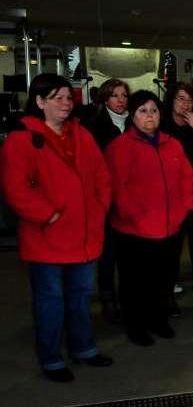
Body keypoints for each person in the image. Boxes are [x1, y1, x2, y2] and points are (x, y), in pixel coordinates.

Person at [0, 73, 114, 382]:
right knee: (50, 302)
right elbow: (15, 188)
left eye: (68, 97)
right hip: (47, 238)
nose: (65, 103)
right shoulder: (22, 139)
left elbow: (102, 175)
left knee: (79, 297)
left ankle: (84, 348)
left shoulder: (81, 134)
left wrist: (100, 206)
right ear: (39, 102)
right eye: (57, 98)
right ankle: (50, 358)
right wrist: (47, 215)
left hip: (85, 235)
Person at [104, 90, 193, 346]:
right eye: (143, 111)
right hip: (134, 230)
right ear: (132, 116)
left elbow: (186, 178)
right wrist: (132, 215)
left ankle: (159, 319)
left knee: (164, 278)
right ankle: (136, 325)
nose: (149, 116)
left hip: (170, 227)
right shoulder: (120, 147)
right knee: (135, 282)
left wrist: (185, 208)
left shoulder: (172, 143)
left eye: (153, 110)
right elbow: (115, 187)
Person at [83, 78, 130, 324]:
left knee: (128, 253)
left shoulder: (136, 123)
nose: (121, 100)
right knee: (108, 255)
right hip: (106, 201)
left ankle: (128, 297)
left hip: (132, 201)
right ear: (105, 99)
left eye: (124, 95)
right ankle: (108, 299)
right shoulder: (93, 127)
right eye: (115, 95)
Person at [161, 83, 193, 316]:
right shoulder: (162, 126)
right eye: (181, 99)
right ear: (171, 101)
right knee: (170, 247)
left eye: (189, 100)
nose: (185, 104)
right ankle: (166, 294)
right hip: (168, 196)